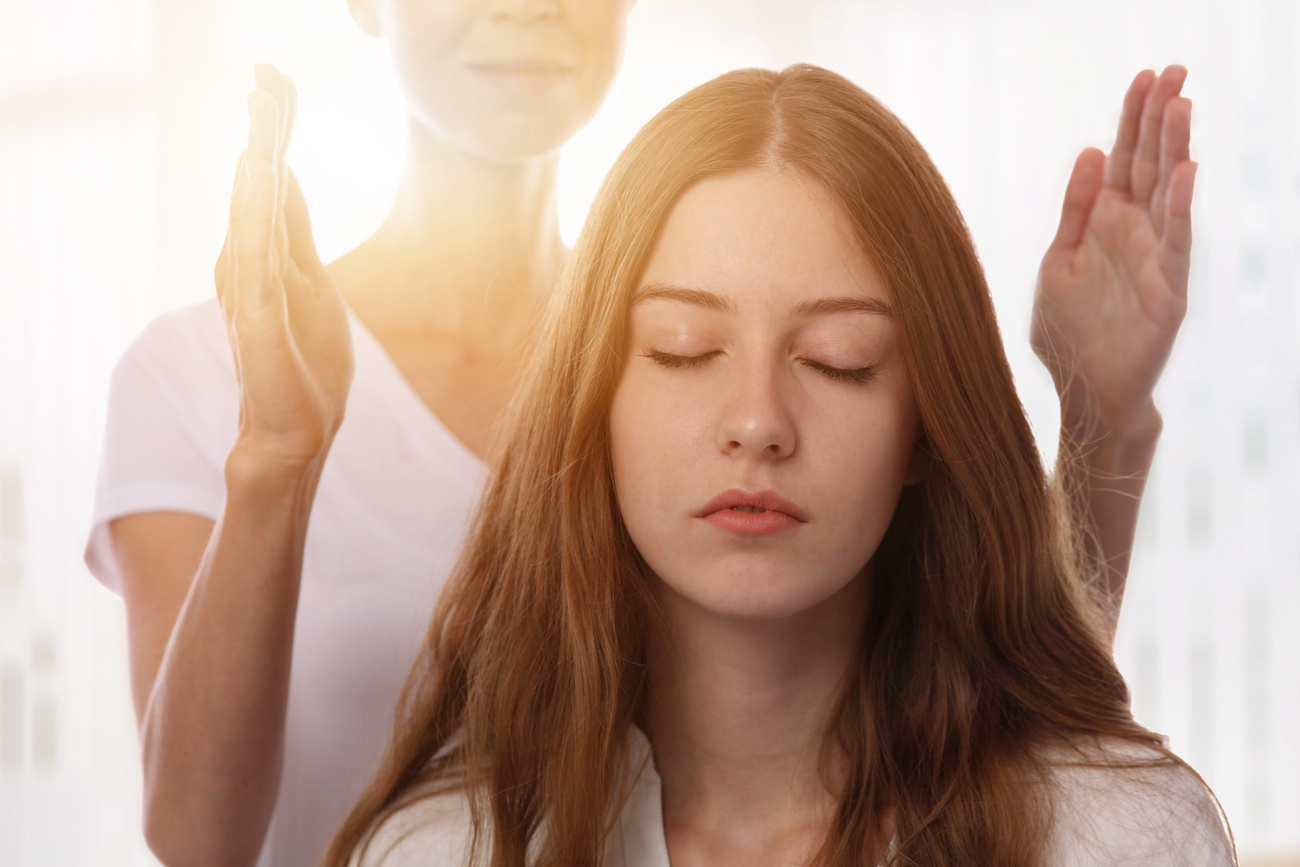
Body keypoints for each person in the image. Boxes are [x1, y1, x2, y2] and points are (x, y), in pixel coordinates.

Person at [84, 3, 1194, 866]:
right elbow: (193, 839)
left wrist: (1097, 425)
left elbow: (1012, 672)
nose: (753, 423)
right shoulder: (209, 373)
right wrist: (276, 456)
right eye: (677, 352)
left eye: (839, 363)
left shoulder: (1110, 826)